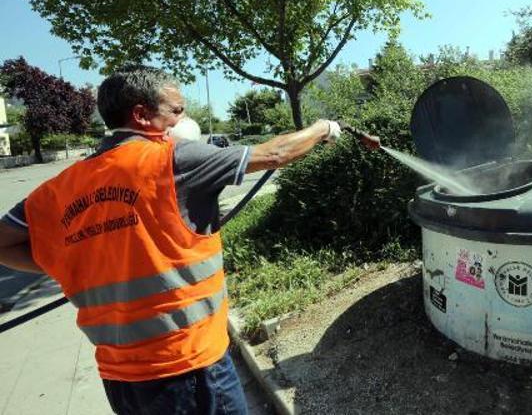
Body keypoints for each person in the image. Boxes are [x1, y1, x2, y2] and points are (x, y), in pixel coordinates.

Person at [0, 65, 344, 414]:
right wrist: (323, 128)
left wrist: (69, 263)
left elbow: (3, 243)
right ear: (141, 115)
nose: (184, 120)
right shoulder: (171, 159)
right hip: (190, 368)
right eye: (176, 111)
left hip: (120, 380)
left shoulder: (57, 190)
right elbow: (274, 154)